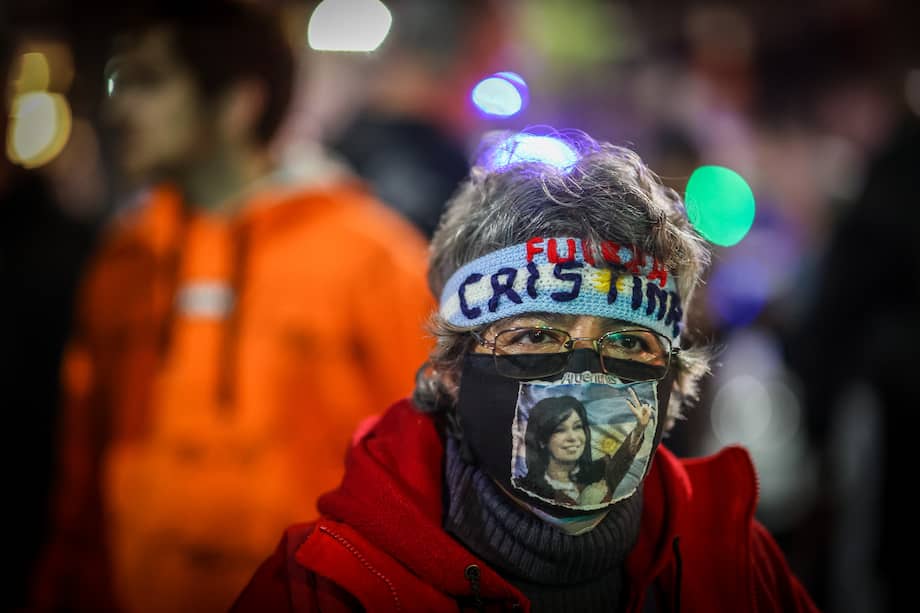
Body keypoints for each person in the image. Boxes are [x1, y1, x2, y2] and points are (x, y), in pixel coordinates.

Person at [230, 131, 820, 612]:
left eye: (630, 343)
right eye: (535, 337)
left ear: (673, 379)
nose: (587, 379)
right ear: (452, 369)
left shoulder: (736, 565)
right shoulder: (326, 585)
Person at [30, 2, 434, 612]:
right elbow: (81, 482)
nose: (119, 107)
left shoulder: (373, 259)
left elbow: (426, 472)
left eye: (150, 82)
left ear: (238, 101)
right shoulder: (124, 259)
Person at [516, 391, 651, 509]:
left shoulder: (600, 472)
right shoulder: (527, 486)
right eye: (560, 430)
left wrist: (640, 427)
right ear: (541, 440)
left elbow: (623, 460)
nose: (573, 437)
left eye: (577, 427)